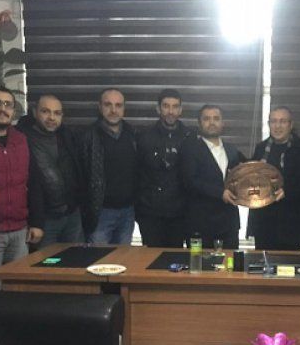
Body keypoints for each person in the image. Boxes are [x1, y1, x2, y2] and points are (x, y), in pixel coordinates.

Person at [0, 86, 44, 289]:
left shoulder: (21, 140)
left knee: (18, 288)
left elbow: (33, 182)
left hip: (20, 231)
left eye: (8, 104)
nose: (2, 109)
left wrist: (37, 222)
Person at [17, 94, 84, 248]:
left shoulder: (67, 136)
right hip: (44, 219)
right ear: (35, 112)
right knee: (46, 262)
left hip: (72, 214)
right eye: (45, 111)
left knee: (76, 259)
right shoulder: (21, 139)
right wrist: (35, 221)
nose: (52, 117)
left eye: (57, 113)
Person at [250, 106, 300, 250]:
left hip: (292, 223)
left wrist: (288, 191)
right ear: (268, 124)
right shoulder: (260, 149)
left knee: (289, 263)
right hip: (263, 222)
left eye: (282, 121)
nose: (278, 126)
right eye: (273, 121)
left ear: (291, 125)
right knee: (262, 262)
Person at [180, 105, 245, 249]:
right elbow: (190, 181)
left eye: (216, 118)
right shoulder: (189, 150)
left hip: (229, 224)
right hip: (200, 225)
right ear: (199, 123)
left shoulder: (232, 150)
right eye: (207, 119)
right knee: (200, 263)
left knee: (230, 262)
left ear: (223, 123)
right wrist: (220, 193)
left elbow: (244, 174)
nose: (212, 122)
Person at [136, 89, 193, 247]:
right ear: (158, 109)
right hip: (150, 212)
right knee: (150, 257)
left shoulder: (191, 137)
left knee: (175, 256)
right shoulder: (144, 137)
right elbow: (135, 172)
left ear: (181, 110)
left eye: (175, 107)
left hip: (180, 212)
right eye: (166, 106)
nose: (170, 111)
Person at [81, 88, 137, 244]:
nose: (113, 110)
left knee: (124, 257)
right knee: (98, 258)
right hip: (100, 213)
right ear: (100, 107)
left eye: (118, 105)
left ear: (124, 108)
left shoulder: (132, 134)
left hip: (127, 211)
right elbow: (81, 177)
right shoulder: (88, 136)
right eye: (108, 105)